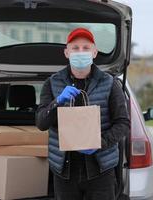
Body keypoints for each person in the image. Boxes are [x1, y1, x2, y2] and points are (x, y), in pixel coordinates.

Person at [35, 27, 130, 200]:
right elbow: (41, 123)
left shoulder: (110, 83)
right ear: (66, 52)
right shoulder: (52, 83)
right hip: (64, 171)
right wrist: (58, 101)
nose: (81, 52)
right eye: (75, 48)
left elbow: (123, 124)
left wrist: (99, 143)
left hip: (101, 170)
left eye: (86, 48)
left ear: (94, 52)